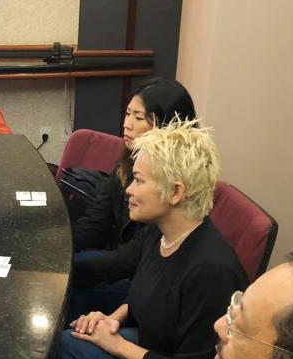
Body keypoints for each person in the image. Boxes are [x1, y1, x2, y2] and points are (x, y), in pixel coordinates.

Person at [28, 119, 247, 359]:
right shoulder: (159, 234)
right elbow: (150, 293)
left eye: (140, 180)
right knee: (67, 345)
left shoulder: (211, 271)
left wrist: (115, 343)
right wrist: (111, 318)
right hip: (152, 348)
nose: (128, 189)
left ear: (175, 193)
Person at [66, 78, 197, 321]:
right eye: (127, 114)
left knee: (67, 288)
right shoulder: (131, 157)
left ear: (166, 124)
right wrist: (57, 251)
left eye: (138, 118)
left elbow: (133, 258)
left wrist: (68, 272)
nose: (126, 124)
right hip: (121, 262)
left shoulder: (173, 181)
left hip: (145, 281)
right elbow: (96, 220)